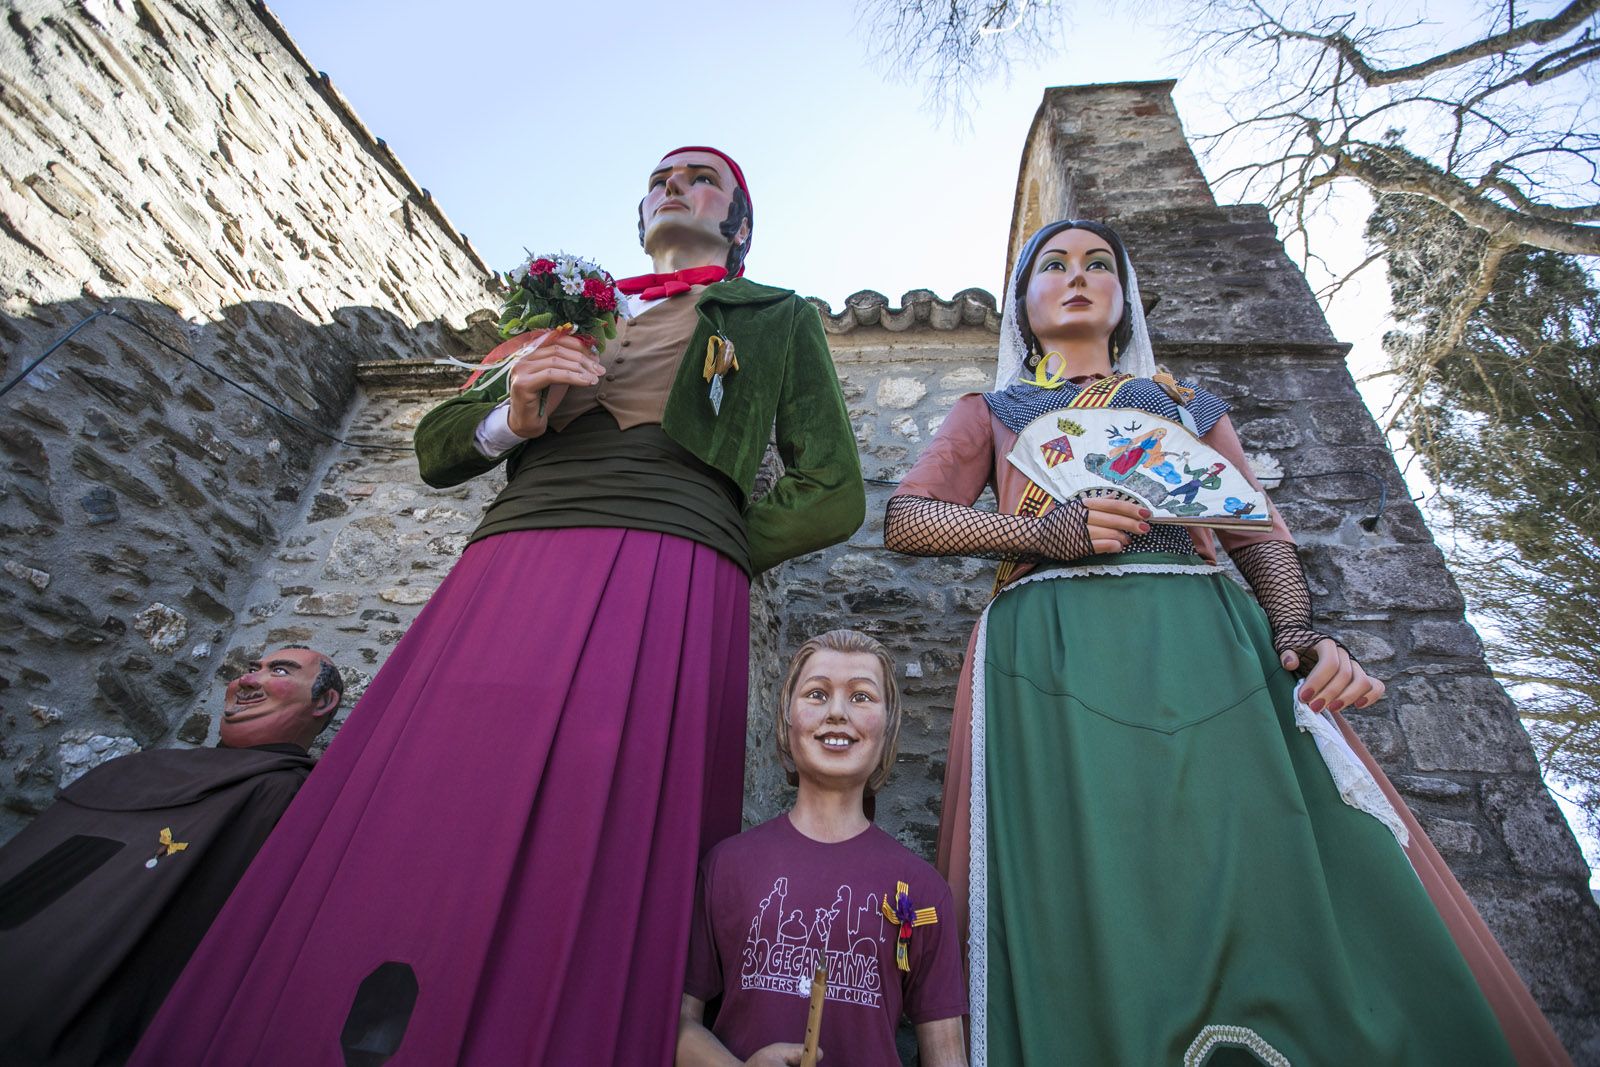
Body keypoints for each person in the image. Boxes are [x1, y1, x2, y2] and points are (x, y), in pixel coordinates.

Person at [131, 147, 864, 1066]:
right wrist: (512, 416)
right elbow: (439, 447)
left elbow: (834, 489)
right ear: (640, 218)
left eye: (701, 178)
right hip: (515, 553)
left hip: (676, 575)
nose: (674, 186)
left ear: (739, 226)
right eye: (659, 178)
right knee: (435, 780)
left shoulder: (776, 317)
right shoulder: (561, 316)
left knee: (616, 819)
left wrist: (710, 545)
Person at [883, 219, 1568, 1064]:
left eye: (1101, 265)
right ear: (1022, 306)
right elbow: (909, 517)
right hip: (1050, 650)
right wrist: (1048, 531)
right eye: (1053, 265)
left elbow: (1258, 532)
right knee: (1093, 869)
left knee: (1259, 848)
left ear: (1125, 300)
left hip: (1204, 634)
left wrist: (1298, 633)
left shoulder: (1183, 407)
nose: (1078, 276)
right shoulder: (992, 412)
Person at [0, 646, 342, 1066]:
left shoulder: (286, 798)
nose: (248, 680)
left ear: (323, 702)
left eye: (280, 670)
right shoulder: (125, 771)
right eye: (251, 669)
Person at [678, 630, 967, 1067]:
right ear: (787, 719)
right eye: (817, 693)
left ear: (887, 729)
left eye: (861, 697)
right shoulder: (726, 867)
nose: (837, 712)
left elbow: (946, 1055)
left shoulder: (923, 892)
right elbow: (677, 1023)